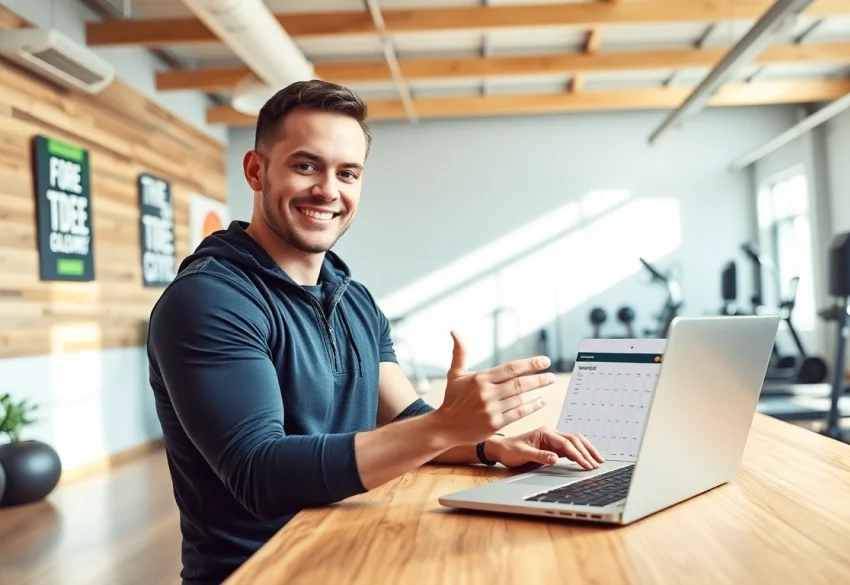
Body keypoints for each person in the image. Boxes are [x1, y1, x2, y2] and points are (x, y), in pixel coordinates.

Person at [147, 79, 604, 585]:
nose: (328, 190)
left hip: (350, 549)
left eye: (347, 172)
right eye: (306, 166)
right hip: (262, 572)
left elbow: (405, 419)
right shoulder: (209, 299)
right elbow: (259, 472)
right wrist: (445, 426)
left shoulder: (352, 298)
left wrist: (489, 444)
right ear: (257, 171)